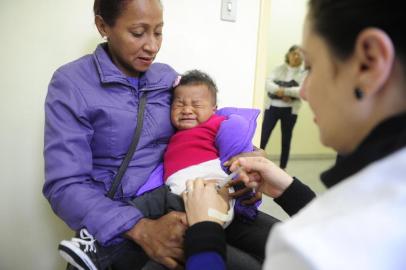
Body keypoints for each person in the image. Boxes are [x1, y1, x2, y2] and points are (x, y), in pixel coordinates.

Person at [43, 1, 277, 270]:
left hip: (187, 196)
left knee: (287, 245)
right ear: (103, 26)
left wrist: (248, 157)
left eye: (158, 32)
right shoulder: (72, 83)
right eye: (138, 32)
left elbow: (206, 121)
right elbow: (64, 185)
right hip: (126, 224)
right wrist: (141, 228)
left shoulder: (166, 78)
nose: (152, 46)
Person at [182, 0, 406, 269]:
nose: (303, 91)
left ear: (369, 63)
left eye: (311, 67)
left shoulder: (304, 251)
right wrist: (291, 191)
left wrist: (205, 231)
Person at [260, 45, 306, 169]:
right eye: (294, 53)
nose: (296, 56)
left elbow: (301, 90)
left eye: (299, 54)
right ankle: (256, 162)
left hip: (290, 111)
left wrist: (282, 91)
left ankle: (283, 168)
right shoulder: (278, 68)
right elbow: (267, 84)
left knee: (286, 140)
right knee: (263, 137)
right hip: (272, 108)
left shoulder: (304, 73)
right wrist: (284, 91)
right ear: (289, 54)